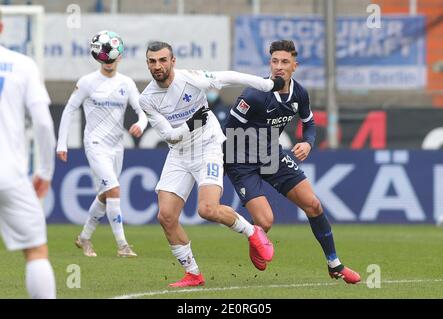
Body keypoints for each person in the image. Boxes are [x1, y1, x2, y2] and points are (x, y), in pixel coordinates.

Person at [139, 41, 285, 287]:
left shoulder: (192, 79)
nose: (158, 66)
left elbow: (230, 77)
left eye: (163, 60)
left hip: (208, 147)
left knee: (207, 209)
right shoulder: (147, 99)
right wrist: (192, 123)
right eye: (152, 61)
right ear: (148, 64)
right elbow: (170, 136)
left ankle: (253, 232)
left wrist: (269, 85)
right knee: (166, 216)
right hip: (179, 153)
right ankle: (193, 274)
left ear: (173, 61)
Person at [223, 40, 361, 284]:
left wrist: (308, 142)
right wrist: (227, 165)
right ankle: (255, 235)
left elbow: (308, 122)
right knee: (265, 222)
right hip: (241, 161)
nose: (279, 66)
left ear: (294, 66)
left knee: (314, 205)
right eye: (275, 61)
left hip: (271, 155)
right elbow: (229, 130)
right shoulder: (255, 93)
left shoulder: (300, 92)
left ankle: (334, 264)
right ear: (270, 64)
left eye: (284, 62)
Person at [56, 33, 147, 258]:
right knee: (114, 189)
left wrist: (141, 124)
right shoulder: (87, 82)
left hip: (117, 146)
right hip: (95, 143)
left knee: (106, 195)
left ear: (119, 56)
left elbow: (141, 110)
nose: (109, 62)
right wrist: (62, 143)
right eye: (106, 58)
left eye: (112, 58)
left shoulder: (126, 83)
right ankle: (123, 245)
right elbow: (69, 110)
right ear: (99, 57)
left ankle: (84, 237)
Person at [0, 11, 56, 298]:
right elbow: (44, 123)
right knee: (35, 249)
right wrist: (45, 172)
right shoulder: (21, 65)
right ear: (1, 26)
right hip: (9, 174)